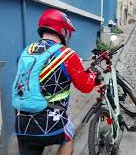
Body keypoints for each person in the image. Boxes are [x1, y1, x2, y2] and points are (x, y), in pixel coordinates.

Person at [13, 9, 99, 155]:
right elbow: (85, 87)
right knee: (68, 136)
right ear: (63, 30)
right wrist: (92, 77)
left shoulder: (26, 51)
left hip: (21, 121)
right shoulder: (67, 54)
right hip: (51, 122)